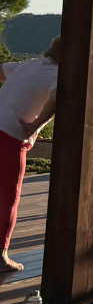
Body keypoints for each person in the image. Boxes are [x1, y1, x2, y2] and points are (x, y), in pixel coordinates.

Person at [0, 37, 60, 272]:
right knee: (8, 197)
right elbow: (55, 100)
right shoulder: (58, 74)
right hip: (11, 135)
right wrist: (34, 127)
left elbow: (2, 73)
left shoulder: (27, 64)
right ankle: (1, 256)